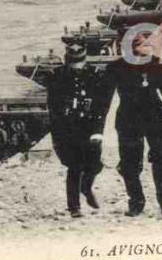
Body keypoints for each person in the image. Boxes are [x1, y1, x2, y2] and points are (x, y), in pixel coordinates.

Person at [109, 31, 162, 216]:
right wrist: (96, 129)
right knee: (129, 164)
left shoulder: (156, 64)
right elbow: (104, 100)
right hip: (128, 120)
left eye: (142, 45)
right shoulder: (115, 67)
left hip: (154, 118)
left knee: (160, 159)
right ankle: (136, 201)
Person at [46, 44, 116, 218]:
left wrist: (98, 130)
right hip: (67, 127)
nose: (75, 66)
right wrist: (58, 134)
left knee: (95, 164)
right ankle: (74, 206)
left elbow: (102, 106)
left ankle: (86, 187)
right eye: (72, 63)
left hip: (90, 125)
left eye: (78, 62)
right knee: (74, 166)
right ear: (67, 61)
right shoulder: (57, 76)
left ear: (84, 61)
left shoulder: (94, 75)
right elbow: (53, 107)